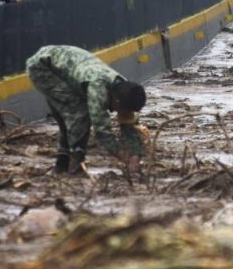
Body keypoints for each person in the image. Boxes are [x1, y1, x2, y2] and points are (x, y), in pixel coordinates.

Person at [26, 45, 147, 175]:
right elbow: (101, 130)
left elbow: (129, 125)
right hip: (43, 67)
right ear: (117, 102)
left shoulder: (124, 90)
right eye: (124, 110)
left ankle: (62, 162)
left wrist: (135, 155)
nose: (124, 114)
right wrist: (122, 155)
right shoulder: (98, 89)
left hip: (65, 64)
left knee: (69, 115)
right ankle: (74, 163)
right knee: (79, 112)